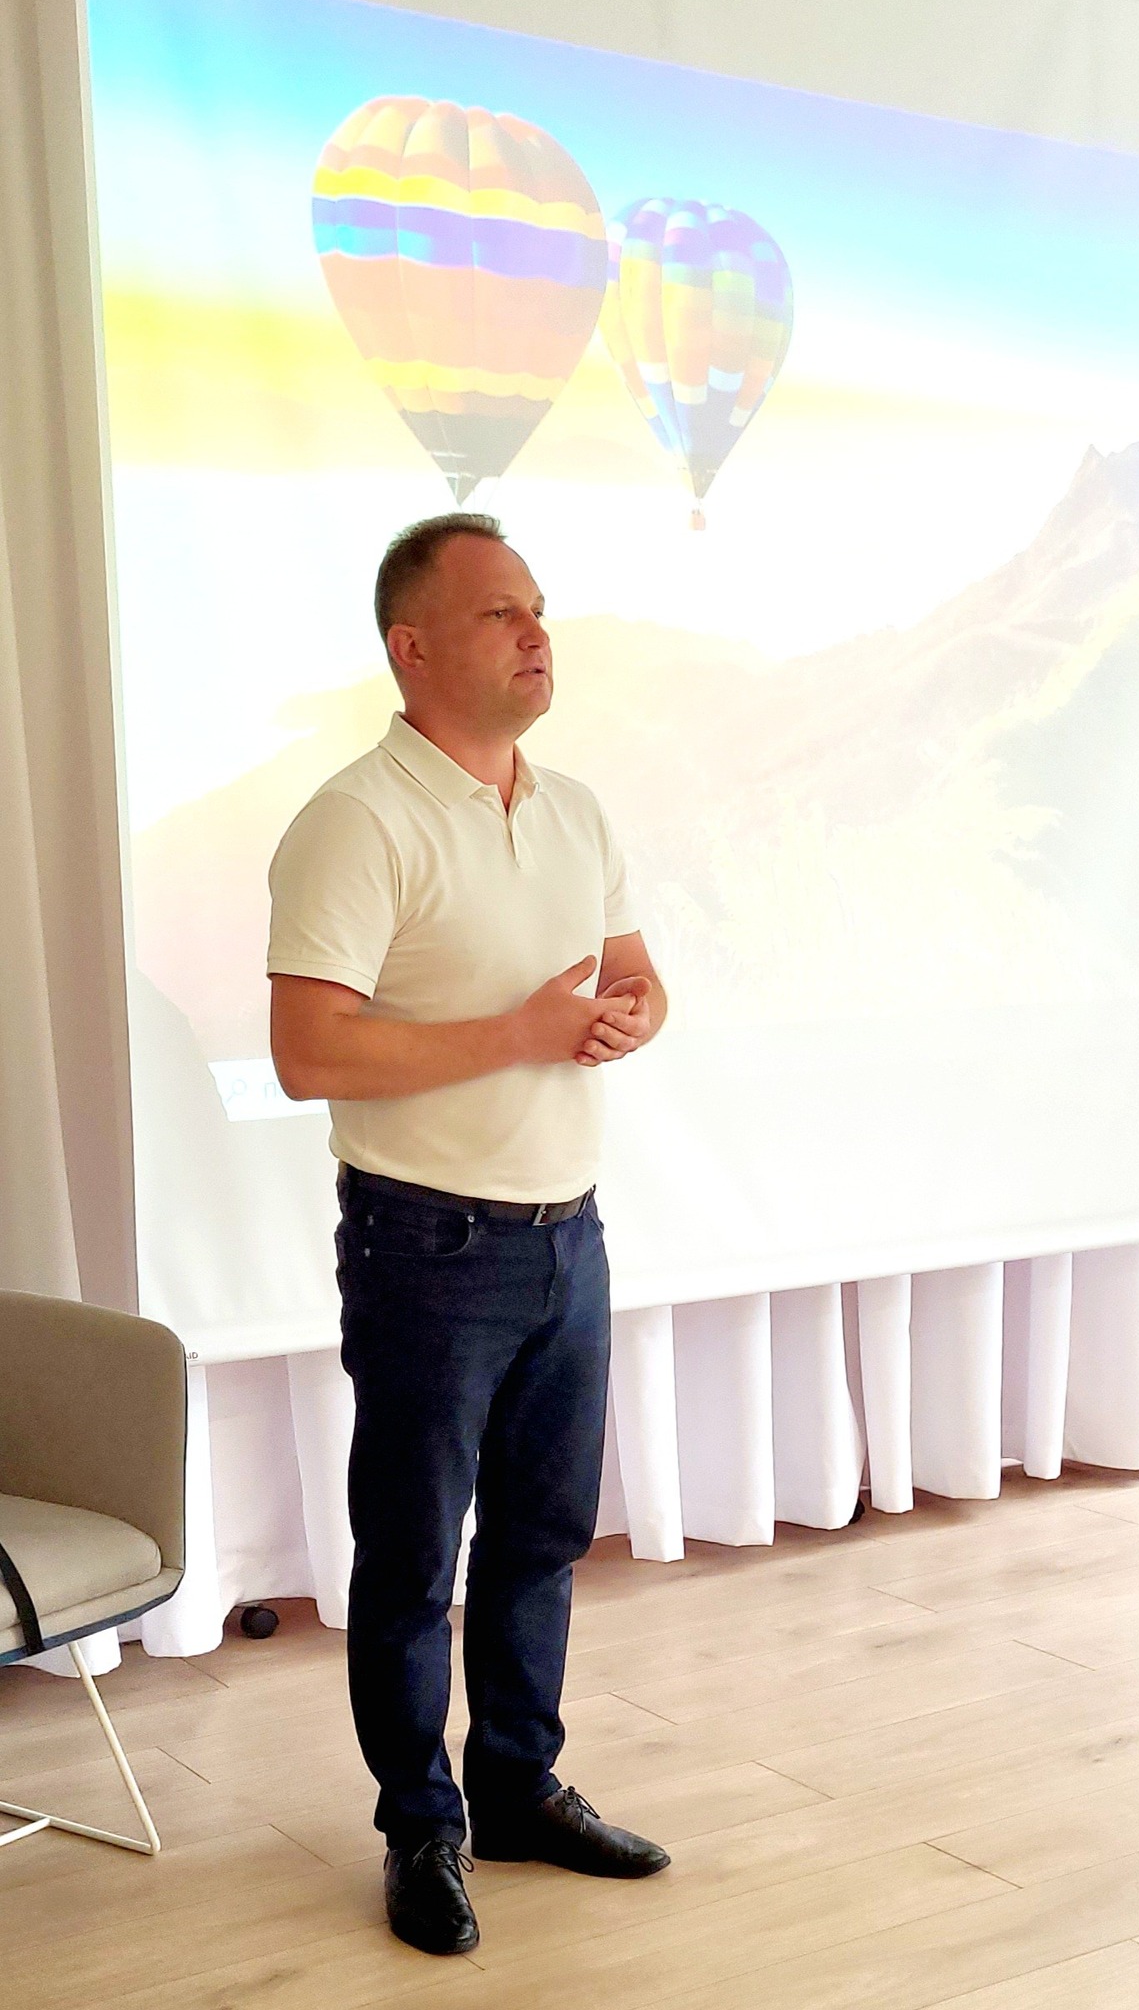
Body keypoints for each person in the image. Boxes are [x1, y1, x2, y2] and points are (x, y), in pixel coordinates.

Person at [266, 514, 670, 1956]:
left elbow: (637, 976)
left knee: (545, 1537)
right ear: (413, 647)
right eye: (501, 612)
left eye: (539, 607)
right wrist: (521, 1033)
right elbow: (308, 1052)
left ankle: (515, 1788)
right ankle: (419, 1829)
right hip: (425, 1247)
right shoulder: (355, 821)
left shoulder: (575, 811)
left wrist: (627, 1016)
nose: (536, 632)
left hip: (570, 1235)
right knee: (412, 1557)